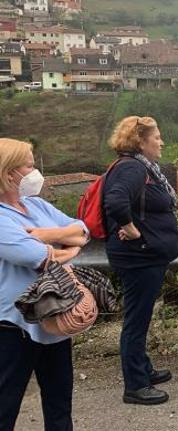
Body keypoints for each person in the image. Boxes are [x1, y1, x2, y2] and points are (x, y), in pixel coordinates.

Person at [0, 138, 89, 430]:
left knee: (59, 404)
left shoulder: (35, 205)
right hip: (14, 325)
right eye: (27, 163)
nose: (34, 169)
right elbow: (34, 256)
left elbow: (83, 230)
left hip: (54, 318)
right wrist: (64, 243)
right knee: (5, 405)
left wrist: (41, 233)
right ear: (9, 172)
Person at [103, 116, 178, 405]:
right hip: (139, 258)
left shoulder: (140, 167)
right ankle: (135, 385)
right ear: (140, 141)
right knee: (136, 322)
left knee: (141, 317)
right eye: (156, 136)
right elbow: (115, 201)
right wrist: (132, 230)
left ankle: (143, 369)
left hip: (144, 256)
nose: (161, 141)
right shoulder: (133, 168)